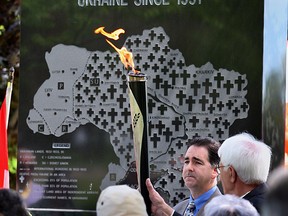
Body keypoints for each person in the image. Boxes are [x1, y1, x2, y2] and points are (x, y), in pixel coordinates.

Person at [146, 137, 222, 216]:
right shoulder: (178, 208)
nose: (189, 167)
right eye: (186, 161)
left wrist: (168, 212)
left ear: (215, 171)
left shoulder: (225, 210)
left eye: (197, 162)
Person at [217, 132, 272, 213]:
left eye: (220, 168)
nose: (219, 177)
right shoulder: (274, 203)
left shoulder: (245, 212)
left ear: (231, 173)